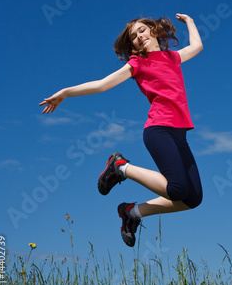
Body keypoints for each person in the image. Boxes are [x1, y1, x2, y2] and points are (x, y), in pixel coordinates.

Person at [39, 13, 203, 247]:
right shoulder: (138, 63)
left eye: (142, 31)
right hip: (159, 129)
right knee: (177, 189)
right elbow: (103, 84)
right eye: (134, 37)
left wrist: (190, 22)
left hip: (180, 134)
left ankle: (132, 213)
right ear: (133, 46)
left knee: (193, 198)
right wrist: (65, 92)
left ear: (154, 30)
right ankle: (120, 167)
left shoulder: (173, 58)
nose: (138, 37)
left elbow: (197, 46)